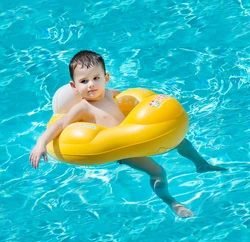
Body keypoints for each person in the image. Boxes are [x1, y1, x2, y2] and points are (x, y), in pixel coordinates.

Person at [30, 50, 226, 218]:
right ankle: (173, 203)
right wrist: (41, 144)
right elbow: (61, 124)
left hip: (138, 135)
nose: (91, 85)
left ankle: (201, 164)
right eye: (84, 81)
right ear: (74, 86)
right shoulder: (83, 108)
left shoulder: (112, 93)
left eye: (96, 78)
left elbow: (135, 103)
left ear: (106, 78)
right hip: (123, 149)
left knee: (182, 141)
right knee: (158, 172)